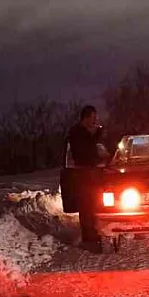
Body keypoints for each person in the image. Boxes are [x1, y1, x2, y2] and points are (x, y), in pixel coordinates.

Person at [67, 105, 103, 253]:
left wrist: (96, 134)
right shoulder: (76, 132)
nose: (95, 120)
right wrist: (93, 134)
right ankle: (89, 238)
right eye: (93, 117)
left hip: (92, 172)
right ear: (86, 118)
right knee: (86, 206)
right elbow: (83, 152)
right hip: (82, 173)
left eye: (95, 117)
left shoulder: (87, 132)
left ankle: (94, 234)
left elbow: (93, 148)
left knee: (94, 204)